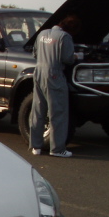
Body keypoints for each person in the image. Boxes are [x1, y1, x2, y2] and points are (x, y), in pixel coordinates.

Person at [29, 14, 81, 158]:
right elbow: (68, 59)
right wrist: (77, 56)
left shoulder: (42, 34)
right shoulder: (65, 37)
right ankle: (57, 149)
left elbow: (35, 53)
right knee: (57, 112)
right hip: (55, 74)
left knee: (38, 111)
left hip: (38, 72)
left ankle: (36, 147)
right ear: (72, 30)